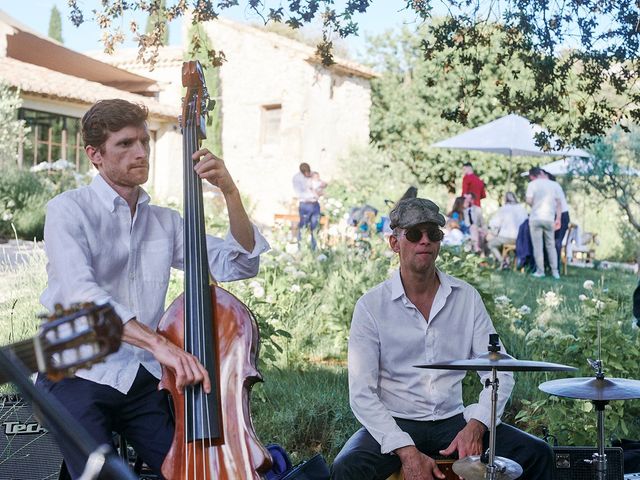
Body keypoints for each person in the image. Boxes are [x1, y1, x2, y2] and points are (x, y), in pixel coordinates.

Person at [36, 99, 269, 479]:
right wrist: (162, 345)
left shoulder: (166, 223)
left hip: (140, 377)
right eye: (125, 144)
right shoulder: (68, 210)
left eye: (145, 142)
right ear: (94, 155)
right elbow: (82, 295)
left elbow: (238, 262)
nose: (141, 152)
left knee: (194, 470)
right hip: (75, 372)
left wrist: (230, 193)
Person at [331, 197, 553, 480]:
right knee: (346, 467)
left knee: (537, 453)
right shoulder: (371, 306)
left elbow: (502, 370)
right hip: (395, 421)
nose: (424, 241)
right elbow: (361, 393)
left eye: (433, 234)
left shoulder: (466, 297)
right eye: (414, 234)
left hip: (453, 420)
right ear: (395, 243)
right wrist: (405, 448)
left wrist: (477, 424)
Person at [526, 167, 561, 279]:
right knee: (551, 245)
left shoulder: (532, 184)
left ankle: (540, 271)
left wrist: (534, 205)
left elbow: (529, 200)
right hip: (549, 218)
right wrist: (558, 219)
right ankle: (555, 272)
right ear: (541, 173)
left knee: (538, 246)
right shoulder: (553, 185)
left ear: (532, 175)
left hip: (536, 218)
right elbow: (559, 203)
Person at [487, 192, 528, 267]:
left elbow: (494, 223)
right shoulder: (522, 209)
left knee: (491, 244)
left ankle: (502, 261)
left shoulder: (504, 208)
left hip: (506, 237)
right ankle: (507, 261)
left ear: (505, 199)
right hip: (519, 238)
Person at [292, 162, 326, 250]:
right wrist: (313, 194)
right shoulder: (297, 178)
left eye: (308, 172)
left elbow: (321, 185)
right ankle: (301, 248)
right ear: (302, 172)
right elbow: (300, 193)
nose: (308, 174)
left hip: (315, 204)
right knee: (303, 227)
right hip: (305, 205)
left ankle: (314, 249)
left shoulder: (313, 175)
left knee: (315, 227)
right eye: (306, 173)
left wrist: (320, 189)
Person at [541, 170, 570, 265]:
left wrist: (558, 219)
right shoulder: (550, 187)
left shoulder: (553, 187)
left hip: (560, 215)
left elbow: (558, 204)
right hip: (553, 215)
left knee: (556, 241)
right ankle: (548, 264)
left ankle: (554, 265)